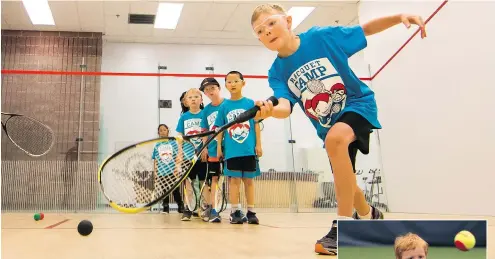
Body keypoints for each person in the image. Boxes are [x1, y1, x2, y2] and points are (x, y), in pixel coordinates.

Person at [249, 4, 426, 255]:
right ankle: (368, 214)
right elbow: (285, 107)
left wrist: (398, 18)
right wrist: (269, 110)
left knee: (335, 141)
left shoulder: (321, 37)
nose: (266, 31)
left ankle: (343, 227)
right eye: (259, 31)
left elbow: (363, 30)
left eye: (271, 23)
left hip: (358, 105)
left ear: (288, 21)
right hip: (329, 126)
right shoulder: (276, 72)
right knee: (347, 181)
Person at [214, 71, 262, 224]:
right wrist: (219, 149)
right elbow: (220, 129)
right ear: (225, 85)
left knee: (249, 181)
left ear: (243, 83)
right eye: (229, 82)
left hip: (248, 150)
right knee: (234, 181)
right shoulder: (224, 106)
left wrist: (259, 145)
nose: (232, 84)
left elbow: (256, 125)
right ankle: (235, 212)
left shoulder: (250, 104)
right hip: (232, 151)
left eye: (236, 81)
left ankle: (251, 212)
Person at [176, 88, 208, 221]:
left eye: (196, 96)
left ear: (201, 100)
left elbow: (207, 133)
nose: (194, 99)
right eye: (190, 97)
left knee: (203, 183)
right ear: (186, 101)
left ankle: (204, 208)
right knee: (189, 184)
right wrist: (180, 155)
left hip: (202, 155)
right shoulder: (183, 117)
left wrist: (205, 149)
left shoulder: (205, 114)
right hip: (188, 156)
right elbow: (179, 137)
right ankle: (188, 209)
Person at [198, 77, 225, 223]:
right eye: (206, 90)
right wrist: (205, 148)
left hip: (231, 149)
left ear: (218, 88)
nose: (209, 92)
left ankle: (237, 210)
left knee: (235, 179)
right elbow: (205, 131)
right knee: (214, 179)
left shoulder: (228, 104)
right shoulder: (206, 110)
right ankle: (214, 210)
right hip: (214, 150)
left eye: (212, 88)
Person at [153, 124, 185, 214]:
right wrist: (155, 171)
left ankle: (180, 206)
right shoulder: (157, 145)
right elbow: (155, 159)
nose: (162, 131)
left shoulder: (173, 142)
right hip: (161, 172)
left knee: (175, 190)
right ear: (158, 133)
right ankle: (165, 207)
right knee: (164, 191)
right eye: (160, 130)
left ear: (168, 131)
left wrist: (177, 168)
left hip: (172, 171)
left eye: (164, 130)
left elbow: (177, 156)